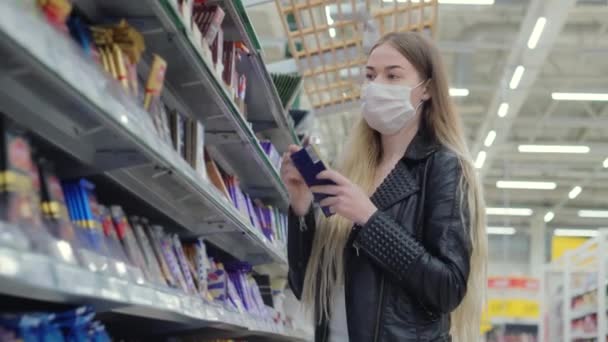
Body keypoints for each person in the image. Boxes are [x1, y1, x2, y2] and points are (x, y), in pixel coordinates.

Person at [280, 31, 487, 342]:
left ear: (427, 89)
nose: (377, 86)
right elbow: (306, 285)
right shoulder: (353, 168)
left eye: (393, 76)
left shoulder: (442, 167)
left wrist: (370, 219)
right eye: (370, 75)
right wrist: (301, 206)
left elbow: (448, 288)